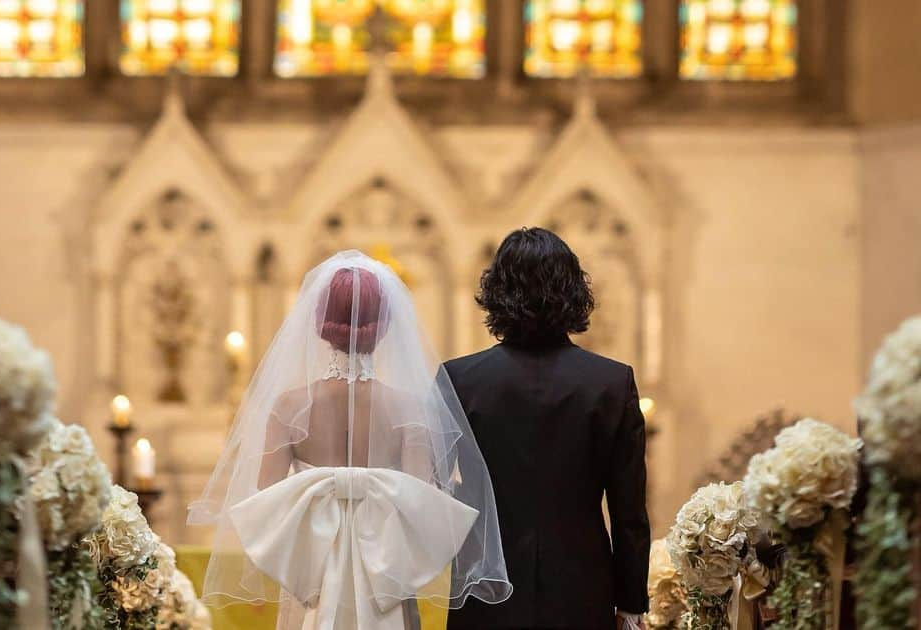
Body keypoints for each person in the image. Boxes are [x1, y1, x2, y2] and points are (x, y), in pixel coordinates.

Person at [190, 251, 511, 630]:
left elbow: (267, 502)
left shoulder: (289, 405)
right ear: (387, 326)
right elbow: (421, 504)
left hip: (314, 582)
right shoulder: (409, 408)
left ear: (318, 322)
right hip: (385, 581)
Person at [445, 228, 651, 630]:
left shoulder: (458, 380)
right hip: (582, 587)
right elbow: (629, 511)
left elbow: (439, 494)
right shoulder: (611, 383)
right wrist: (630, 603)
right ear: (573, 292)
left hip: (486, 587)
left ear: (497, 292)